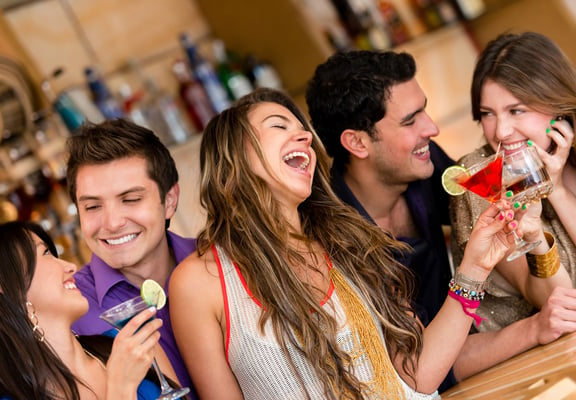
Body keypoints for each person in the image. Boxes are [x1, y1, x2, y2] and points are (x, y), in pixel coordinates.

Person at [169, 88, 518, 399]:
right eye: (280, 126)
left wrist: (475, 267)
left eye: (303, 128)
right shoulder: (200, 283)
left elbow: (419, 374)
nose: (304, 136)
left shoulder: (348, 239)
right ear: (235, 156)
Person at [305, 49, 456, 390]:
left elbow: (491, 215)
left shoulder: (424, 163)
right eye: (410, 120)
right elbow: (417, 368)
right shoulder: (329, 239)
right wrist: (533, 330)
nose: (431, 128)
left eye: (425, 111)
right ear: (357, 142)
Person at [450, 31, 576, 379]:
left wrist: (559, 193)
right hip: (531, 368)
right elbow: (557, 302)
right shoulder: (480, 178)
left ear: (558, 105)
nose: (501, 131)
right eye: (487, 113)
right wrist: (536, 237)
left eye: (516, 110)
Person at [66, 118, 198, 397]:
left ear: (170, 200)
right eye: (92, 206)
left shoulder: (220, 261)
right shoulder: (70, 315)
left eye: (130, 199)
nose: (112, 223)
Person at [0, 221, 176, 399]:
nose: (71, 266)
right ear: (10, 285)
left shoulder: (128, 346)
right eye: (45, 253)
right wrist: (120, 389)